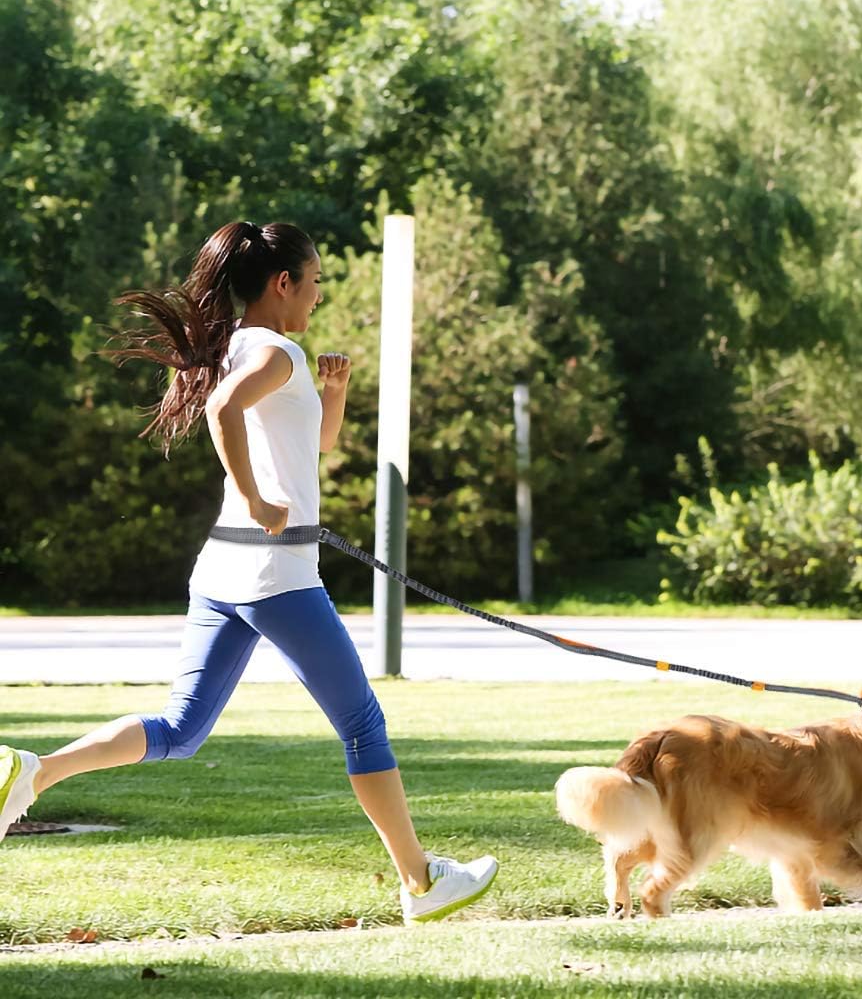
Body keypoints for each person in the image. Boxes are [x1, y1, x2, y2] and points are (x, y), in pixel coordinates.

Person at [0, 220, 497, 924]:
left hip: (222, 569)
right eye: (316, 280)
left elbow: (307, 443)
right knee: (363, 728)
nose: (320, 296)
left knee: (179, 730)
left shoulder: (240, 346)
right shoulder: (278, 351)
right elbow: (223, 411)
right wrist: (262, 498)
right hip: (277, 573)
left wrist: (334, 394)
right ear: (282, 282)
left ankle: (32, 772)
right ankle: (422, 883)